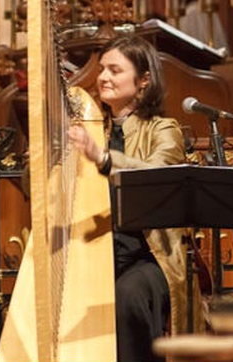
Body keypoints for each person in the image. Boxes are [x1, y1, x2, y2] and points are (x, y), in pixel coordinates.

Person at [68, 36, 196, 362]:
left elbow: (155, 174)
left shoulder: (163, 129)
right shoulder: (90, 129)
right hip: (96, 254)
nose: (103, 77)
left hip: (150, 258)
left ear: (143, 80)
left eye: (115, 70)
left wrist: (103, 157)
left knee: (127, 295)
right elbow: (35, 186)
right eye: (101, 70)